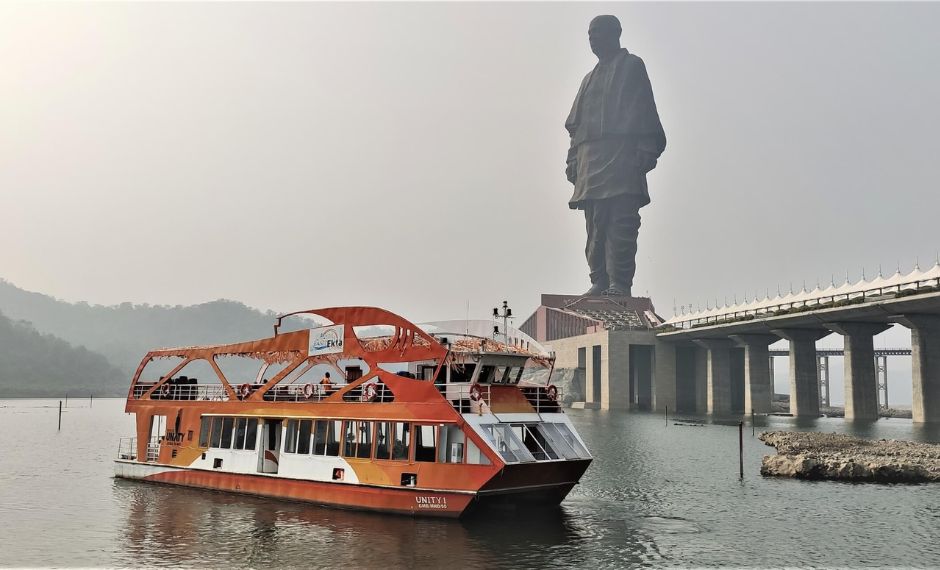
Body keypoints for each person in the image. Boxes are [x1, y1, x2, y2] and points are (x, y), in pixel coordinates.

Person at [565, 15, 666, 297]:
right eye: (589, 33)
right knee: (594, 224)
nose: (592, 38)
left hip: (621, 155)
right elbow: (575, 127)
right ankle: (599, 279)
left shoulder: (632, 66)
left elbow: (644, 108)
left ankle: (619, 283)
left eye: (598, 32)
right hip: (590, 159)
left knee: (621, 221)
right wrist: (572, 159)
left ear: (616, 33)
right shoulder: (588, 79)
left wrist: (646, 149)